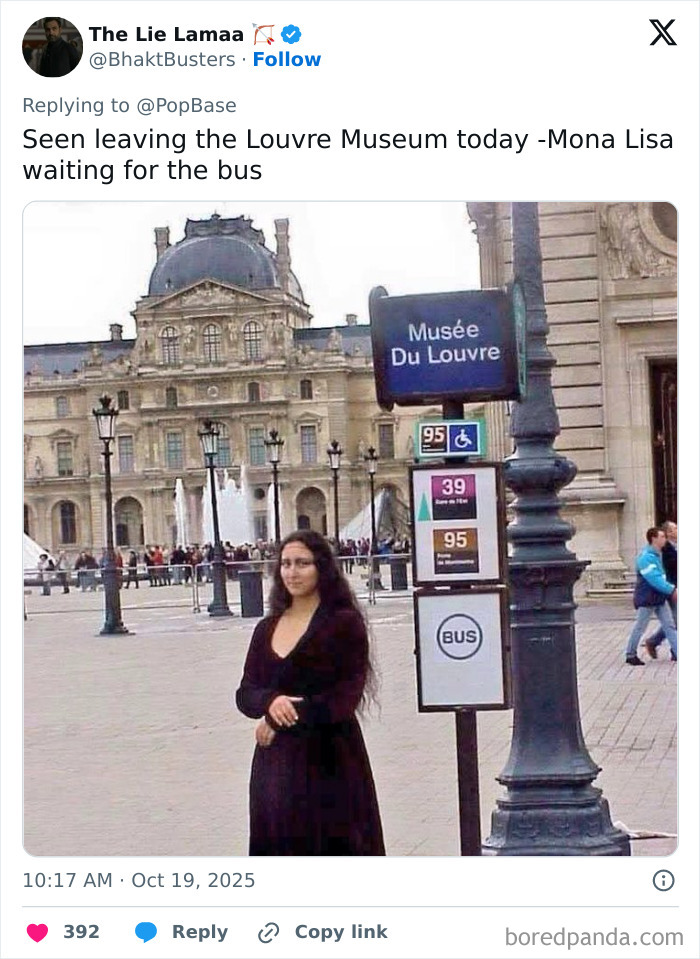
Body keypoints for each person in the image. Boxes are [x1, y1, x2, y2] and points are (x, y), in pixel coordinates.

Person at [235, 529, 385, 856]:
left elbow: (343, 699)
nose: (292, 571)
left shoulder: (343, 624)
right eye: (286, 563)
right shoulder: (267, 627)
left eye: (302, 563)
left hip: (330, 762)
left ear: (322, 568)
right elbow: (246, 693)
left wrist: (278, 719)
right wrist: (269, 701)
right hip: (275, 767)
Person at [623, 526, 678, 665]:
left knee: (669, 625)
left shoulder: (657, 555)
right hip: (648, 597)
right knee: (640, 626)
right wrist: (671, 589)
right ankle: (630, 654)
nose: (665, 539)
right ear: (654, 539)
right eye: (662, 537)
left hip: (659, 597)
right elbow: (654, 578)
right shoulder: (646, 557)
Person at [644, 521, 677, 659]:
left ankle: (654, 642)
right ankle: (673, 650)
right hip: (671, 587)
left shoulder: (674, 546)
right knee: (675, 620)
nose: (678, 530)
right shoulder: (666, 549)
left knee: (675, 620)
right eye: (675, 528)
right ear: (668, 533)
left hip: (674, 587)